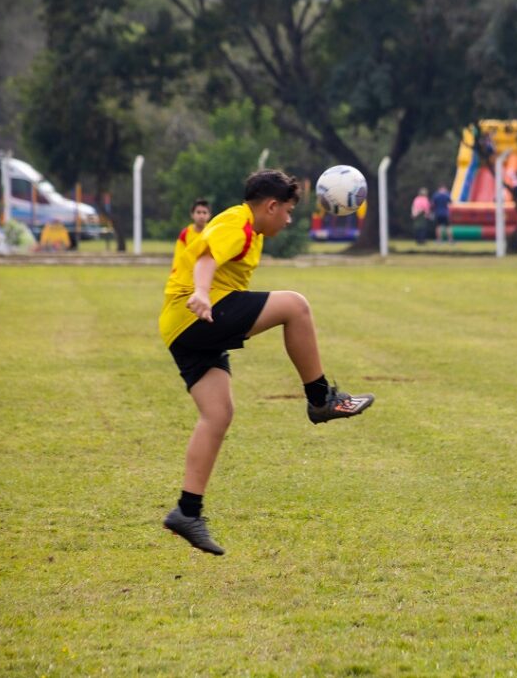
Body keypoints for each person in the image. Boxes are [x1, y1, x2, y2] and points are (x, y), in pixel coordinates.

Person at [159, 169, 375, 556]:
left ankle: (186, 511)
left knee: (218, 414)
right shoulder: (236, 221)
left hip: (184, 328)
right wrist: (204, 295)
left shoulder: (252, 232)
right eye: (288, 211)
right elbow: (206, 258)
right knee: (295, 306)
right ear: (271, 206)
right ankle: (321, 398)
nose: (289, 219)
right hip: (197, 313)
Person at [170, 198, 211, 270]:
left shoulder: (212, 232)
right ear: (192, 215)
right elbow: (178, 256)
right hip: (189, 271)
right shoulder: (185, 233)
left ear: (209, 215)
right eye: (198, 212)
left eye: (204, 213)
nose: (201, 216)